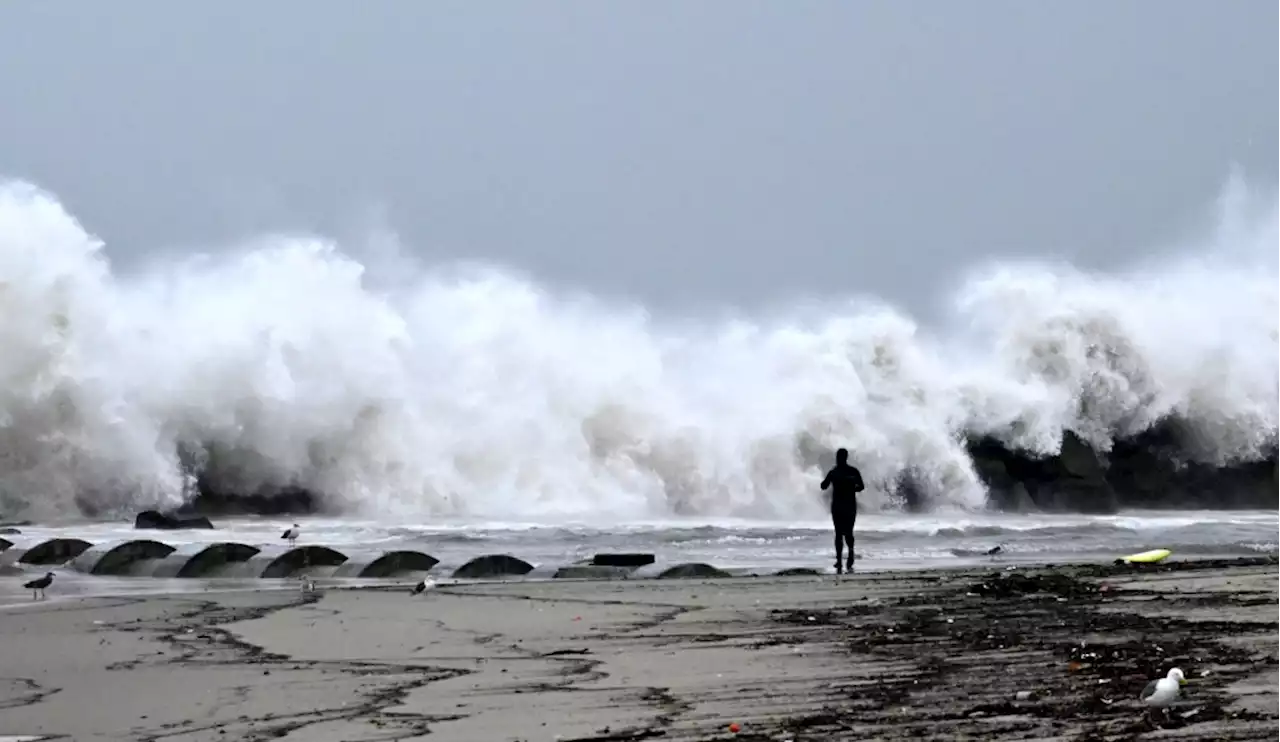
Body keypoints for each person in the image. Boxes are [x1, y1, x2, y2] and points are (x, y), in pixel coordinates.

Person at [820, 448, 865, 574]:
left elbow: (823, 486)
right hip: (846, 505)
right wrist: (850, 487)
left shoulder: (835, 472)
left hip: (841, 506)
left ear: (841, 458)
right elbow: (861, 486)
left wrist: (844, 485)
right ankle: (844, 557)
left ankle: (845, 557)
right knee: (843, 533)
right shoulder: (850, 471)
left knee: (842, 533)